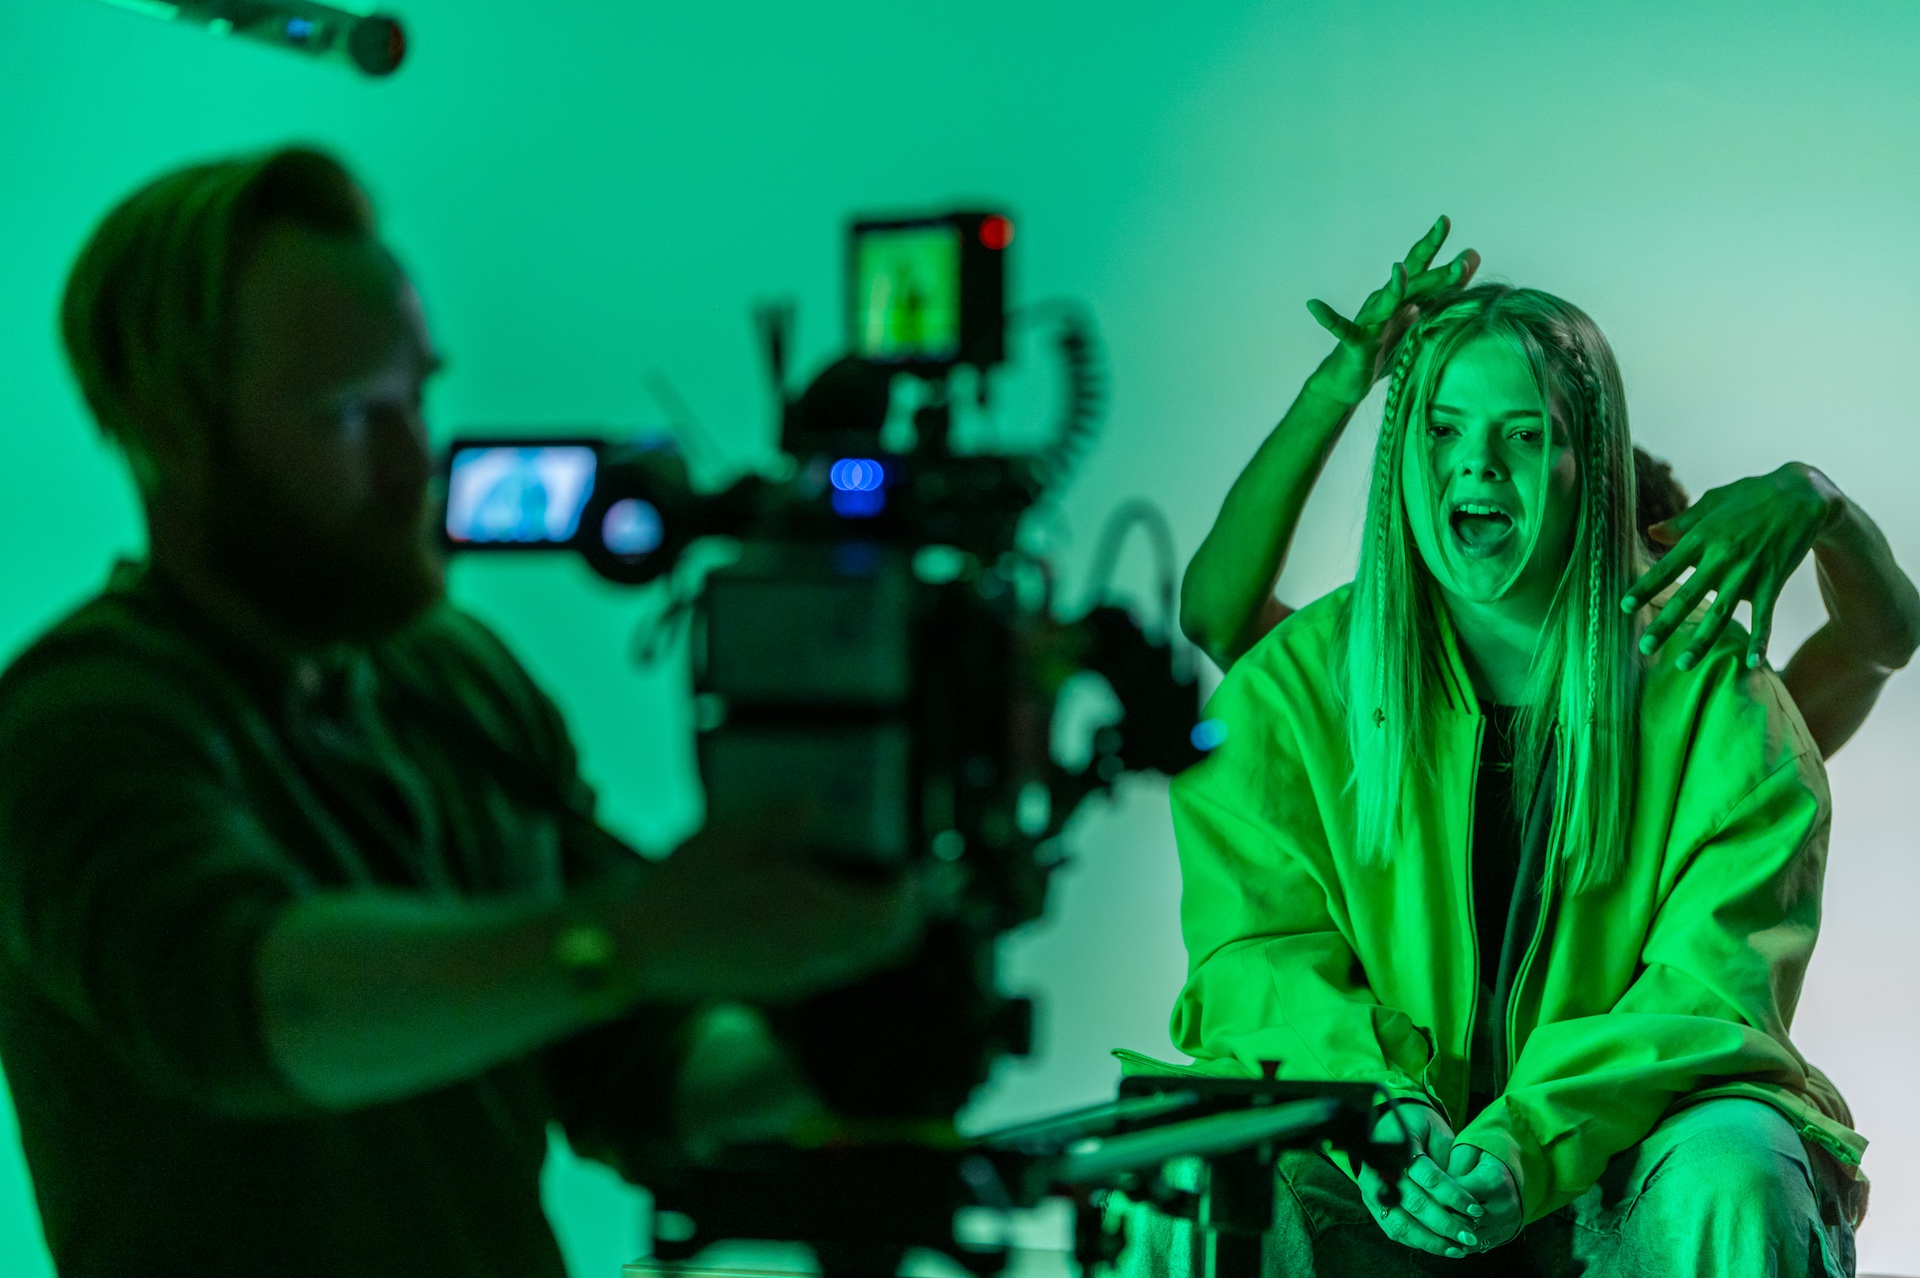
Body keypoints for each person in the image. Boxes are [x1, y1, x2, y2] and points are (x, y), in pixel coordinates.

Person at [0, 147, 924, 1278]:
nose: (412, 464)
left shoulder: (455, 676)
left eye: (415, 397)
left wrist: (832, 1053)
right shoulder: (80, 724)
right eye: (348, 415)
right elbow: (260, 1010)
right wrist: (638, 937)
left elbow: (628, 1060)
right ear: (172, 433)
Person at [1131, 251, 1866, 1276]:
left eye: (1523, 434)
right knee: (1198, 1169)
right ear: (1402, 451)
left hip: (1627, 1149)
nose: (1476, 465)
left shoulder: (1719, 700)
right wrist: (1380, 1111)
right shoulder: (1292, 688)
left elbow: (1704, 991)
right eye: (1443, 429)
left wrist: (1525, 1146)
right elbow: (1257, 957)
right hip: (1376, 1148)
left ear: (1593, 470)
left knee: (1734, 1168)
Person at [1180, 218, 1920, 762]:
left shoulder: (1703, 720)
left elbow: (1881, 640)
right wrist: (1337, 387)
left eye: (1644, 591)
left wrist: (1819, 501)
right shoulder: (1385, 682)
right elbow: (1219, 618)